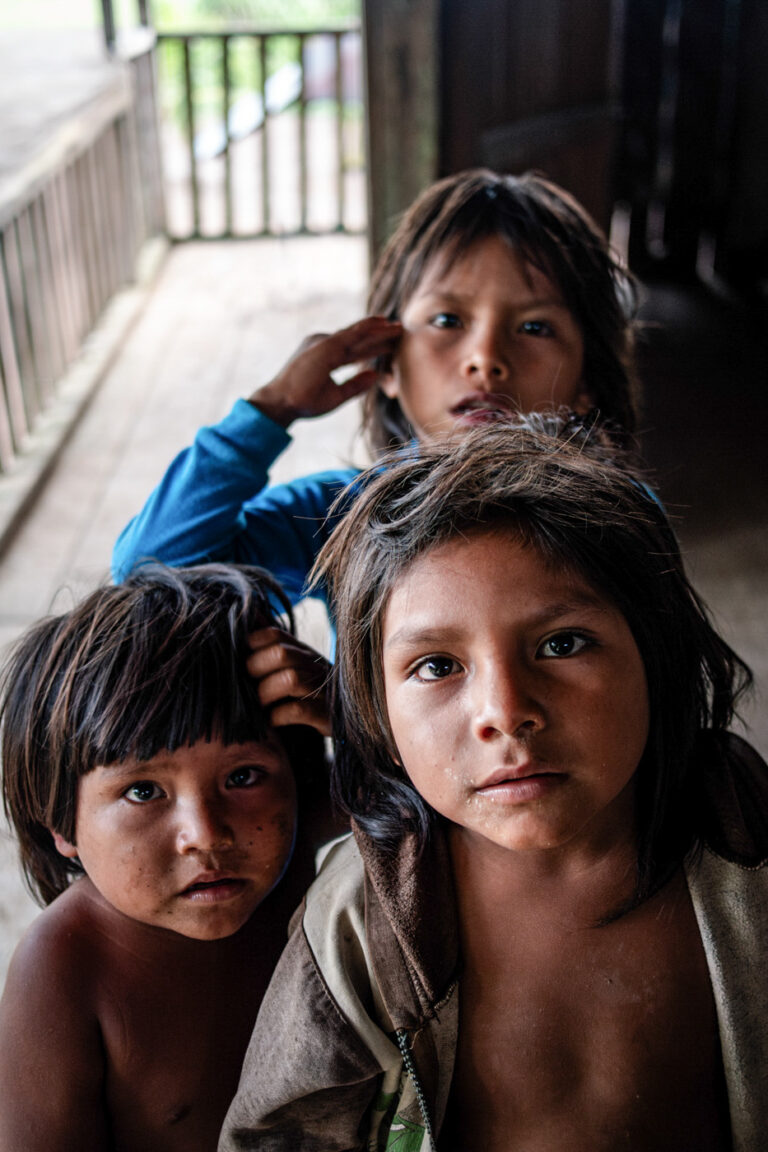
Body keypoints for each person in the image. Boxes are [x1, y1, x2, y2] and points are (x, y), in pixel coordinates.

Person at [219, 417, 768, 1152]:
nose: (505, 712)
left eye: (562, 644)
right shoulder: (362, 918)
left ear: (657, 658)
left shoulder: (747, 846)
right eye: (437, 666)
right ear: (375, 713)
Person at [111, 170, 639, 725]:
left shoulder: (618, 521)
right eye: (447, 320)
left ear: (588, 381)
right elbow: (153, 570)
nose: (485, 357)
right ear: (387, 362)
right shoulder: (343, 514)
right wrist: (271, 409)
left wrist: (357, 724)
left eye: (534, 328)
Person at [0, 563, 330, 1152]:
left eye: (243, 776)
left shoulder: (292, 843)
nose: (205, 836)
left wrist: (353, 719)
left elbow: (432, 797)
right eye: (143, 791)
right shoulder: (65, 965)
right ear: (61, 823)